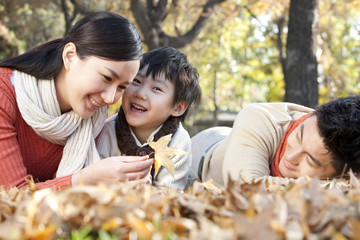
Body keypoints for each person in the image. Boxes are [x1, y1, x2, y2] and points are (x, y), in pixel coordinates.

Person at [0, 11, 156, 190]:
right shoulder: (4, 93)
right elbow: (12, 196)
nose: (110, 99)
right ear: (70, 56)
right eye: (106, 77)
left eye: (122, 87)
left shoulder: (92, 120)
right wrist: (84, 179)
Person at [190, 96, 360, 188]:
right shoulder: (257, 117)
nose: (291, 157)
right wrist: (330, 187)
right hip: (201, 155)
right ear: (310, 115)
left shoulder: (350, 159)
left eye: (309, 160)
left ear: (344, 174)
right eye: (299, 136)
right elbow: (250, 188)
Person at [97, 46, 201, 190]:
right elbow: (97, 182)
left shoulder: (179, 141)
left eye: (157, 89)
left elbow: (170, 193)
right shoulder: (108, 130)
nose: (140, 93)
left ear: (177, 108)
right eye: (137, 81)